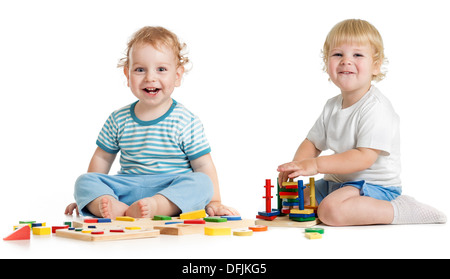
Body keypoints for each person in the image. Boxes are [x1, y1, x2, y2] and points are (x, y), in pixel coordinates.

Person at [277, 19, 446, 226]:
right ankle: (338, 204)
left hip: (375, 186)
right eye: (338, 54)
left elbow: (363, 158)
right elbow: (312, 143)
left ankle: (400, 210)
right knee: (295, 202)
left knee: (331, 211)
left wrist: (315, 165)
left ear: (375, 66)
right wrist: (297, 166)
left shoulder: (377, 108)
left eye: (357, 55)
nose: (346, 61)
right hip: (336, 183)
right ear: (326, 63)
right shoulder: (331, 106)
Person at [65, 26, 238, 219]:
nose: (150, 78)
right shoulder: (117, 119)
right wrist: (92, 196)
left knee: (202, 183)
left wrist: (214, 202)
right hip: (127, 187)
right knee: (84, 181)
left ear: (178, 75)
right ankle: (109, 204)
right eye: (140, 70)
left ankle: (156, 206)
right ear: (127, 75)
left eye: (161, 69)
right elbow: (103, 158)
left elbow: (203, 164)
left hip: (171, 188)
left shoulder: (185, 121)